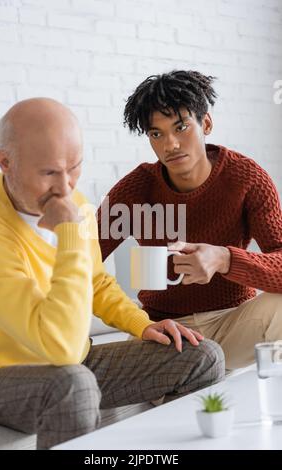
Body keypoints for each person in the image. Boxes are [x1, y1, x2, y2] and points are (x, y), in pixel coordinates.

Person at [0, 98, 224, 450]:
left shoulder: (76, 204)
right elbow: (60, 347)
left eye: (75, 168)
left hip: (77, 361)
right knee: (72, 384)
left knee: (201, 356)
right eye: (49, 172)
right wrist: (68, 233)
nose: (65, 188)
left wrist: (142, 324)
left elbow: (96, 282)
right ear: (5, 162)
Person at [97, 70, 282, 372]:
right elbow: (84, 261)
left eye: (180, 127)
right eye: (156, 134)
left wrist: (224, 259)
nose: (170, 144)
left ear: (205, 123)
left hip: (234, 324)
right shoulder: (136, 188)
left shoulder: (247, 178)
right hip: (166, 333)